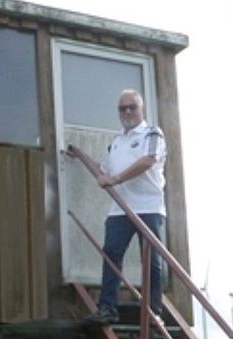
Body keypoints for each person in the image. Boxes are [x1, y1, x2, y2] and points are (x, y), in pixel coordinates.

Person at [66, 89, 167, 324]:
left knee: (151, 260)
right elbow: (104, 171)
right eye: (123, 108)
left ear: (141, 109)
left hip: (149, 207)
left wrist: (116, 180)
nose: (128, 112)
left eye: (132, 107)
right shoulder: (116, 143)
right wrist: (80, 155)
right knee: (111, 254)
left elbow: (148, 161)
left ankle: (153, 312)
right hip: (120, 210)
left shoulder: (152, 134)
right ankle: (107, 308)